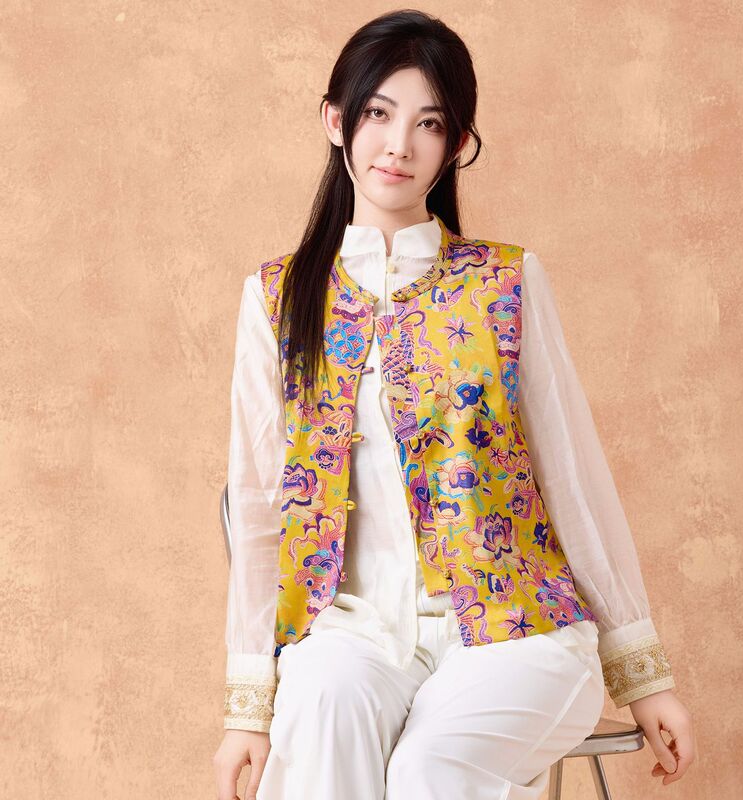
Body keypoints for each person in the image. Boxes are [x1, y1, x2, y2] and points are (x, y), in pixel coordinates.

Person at [213, 9, 696, 800]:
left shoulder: (506, 281)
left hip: (517, 629)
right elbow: (263, 506)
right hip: (354, 629)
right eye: (378, 113)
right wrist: (248, 709)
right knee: (322, 705)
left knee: (429, 769)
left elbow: (573, 482)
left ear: (457, 144)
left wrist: (642, 673)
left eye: (429, 123)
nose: (399, 144)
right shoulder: (277, 297)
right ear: (335, 121)